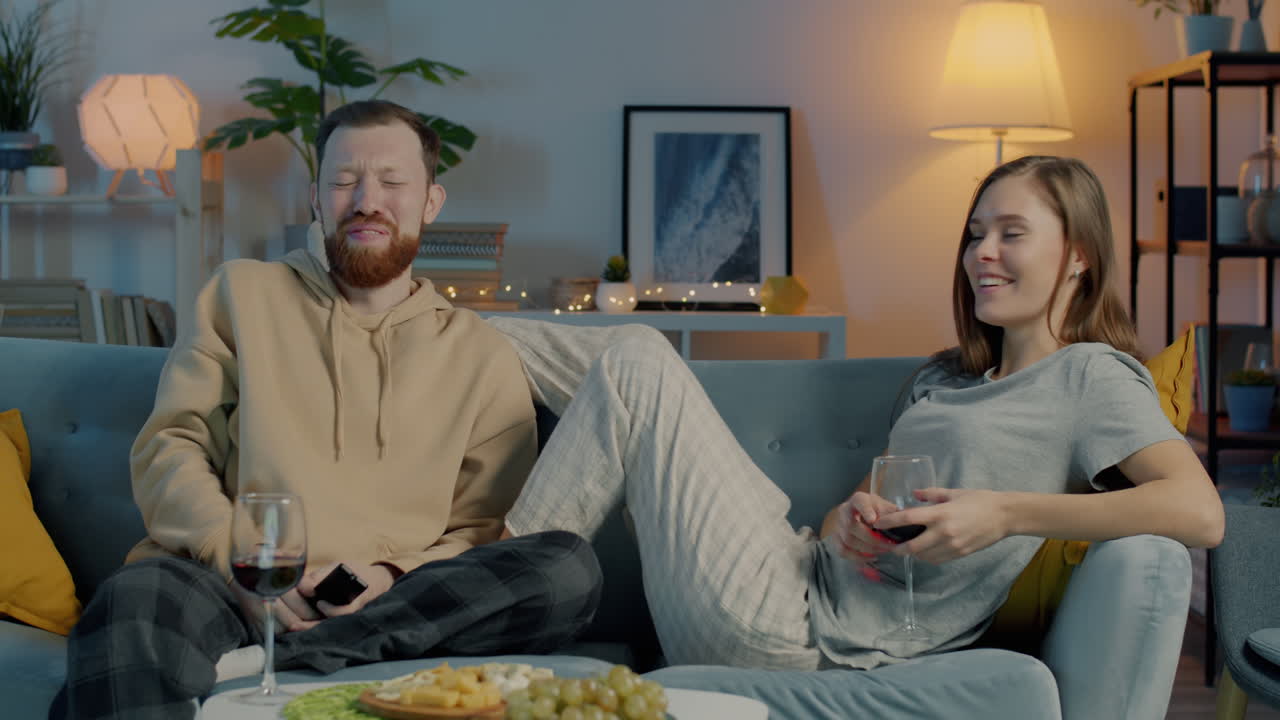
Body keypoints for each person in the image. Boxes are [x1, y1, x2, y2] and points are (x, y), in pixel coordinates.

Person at [496, 155, 1225, 671]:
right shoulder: (947, 376)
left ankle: (482, 596)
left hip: (800, 632)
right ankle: (418, 328)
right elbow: (879, 532)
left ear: (1079, 256)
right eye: (975, 234)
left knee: (637, 356)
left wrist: (1005, 514)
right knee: (548, 350)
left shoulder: (1090, 377)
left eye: (1011, 232)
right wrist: (855, 519)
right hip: (800, 567)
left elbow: (1200, 512)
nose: (982, 254)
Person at [52, 100, 602, 720]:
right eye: (344, 181)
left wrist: (392, 573)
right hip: (236, 576)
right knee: (134, 603)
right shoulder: (240, 293)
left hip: (392, 595)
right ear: (315, 199)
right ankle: (319, 655)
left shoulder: (480, 352)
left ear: (430, 202)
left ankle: (291, 659)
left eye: (393, 182)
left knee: (566, 570)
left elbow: (482, 527)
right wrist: (238, 556)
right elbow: (170, 448)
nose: (367, 200)